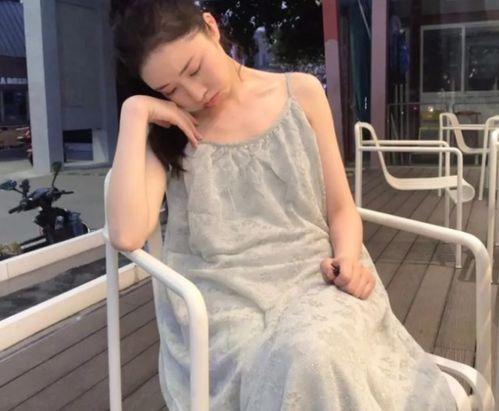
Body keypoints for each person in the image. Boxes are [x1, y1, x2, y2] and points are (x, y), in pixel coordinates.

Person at [106, 1, 458, 409]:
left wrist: (348, 258)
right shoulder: (169, 130)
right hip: (225, 304)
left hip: (315, 278)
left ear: (211, 27)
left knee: (313, 349)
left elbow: (340, 208)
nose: (194, 94)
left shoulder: (299, 92)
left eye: (195, 69)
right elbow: (126, 234)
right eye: (169, 90)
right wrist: (136, 112)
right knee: (299, 358)